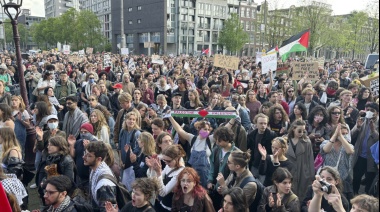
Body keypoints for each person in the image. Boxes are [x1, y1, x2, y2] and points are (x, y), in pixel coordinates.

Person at [168, 116, 214, 187]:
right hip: (192, 174)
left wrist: (232, 120)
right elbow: (180, 130)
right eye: (205, 129)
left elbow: (222, 131)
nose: (207, 131)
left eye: (208, 130)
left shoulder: (210, 140)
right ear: (199, 129)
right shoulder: (192, 139)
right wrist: (170, 117)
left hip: (205, 175)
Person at [208, 127, 240, 209]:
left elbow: (238, 175)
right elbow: (211, 166)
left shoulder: (236, 153)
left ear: (227, 139)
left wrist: (225, 187)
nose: (217, 143)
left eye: (220, 141)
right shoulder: (216, 150)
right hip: (215, 189)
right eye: (216, 140)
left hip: (228, 192)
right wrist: (210, 180)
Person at [146, 144, 186, 211]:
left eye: (169, 161)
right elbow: (154, 182)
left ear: (176, 158)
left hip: (170, 208)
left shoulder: (180, 172)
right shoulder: (169, 165)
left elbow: (163, 193)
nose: (166, 163)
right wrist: (152, 168)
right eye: (164, 161)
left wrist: (158, 172)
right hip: (162, 203)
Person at [320, 124, 354, 200]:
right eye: (342, 133)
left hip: (343, 178)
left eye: (346, 133)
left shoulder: (348, 145)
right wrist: (336, 135)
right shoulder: (326, 142)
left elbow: (350, 151)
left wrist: (341, 137)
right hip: (328, 178)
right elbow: (325, 150)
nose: (344, 135)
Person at [351, 102, 379, 194]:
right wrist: (357, 127)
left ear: (377, 113)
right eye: (368, 110)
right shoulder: (362, 120)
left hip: (372, 158)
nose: (370, 112)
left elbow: (377, 139)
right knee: (356, 177)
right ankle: (355, 193)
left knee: (369, 179)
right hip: (360, 156)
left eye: (372, 111)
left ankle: (367, 198)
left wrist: (373, 130)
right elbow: (351, 135)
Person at [286, 120, 314, 201]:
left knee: (302, 196)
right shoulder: (286, 140)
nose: (301, 133)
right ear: (293, 129)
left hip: (303, 172)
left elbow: (310, 159)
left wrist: (311, 176)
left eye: (303, 131)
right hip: (289, 171)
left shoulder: (307, 142)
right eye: (299, 131)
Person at [85, 141, 117, 211]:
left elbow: (106, 210)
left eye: (89, 156)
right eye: (85, 154)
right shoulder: (94, 169)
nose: (84, 157)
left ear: (99, 159)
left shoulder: (105, 185)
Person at [247, 113, 276, 179]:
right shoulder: (252, 135)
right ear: (256, 124)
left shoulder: (271, 135)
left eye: (265, 123)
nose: (263, 125)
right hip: (254, 164)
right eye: (261, 123)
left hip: (266, 165)